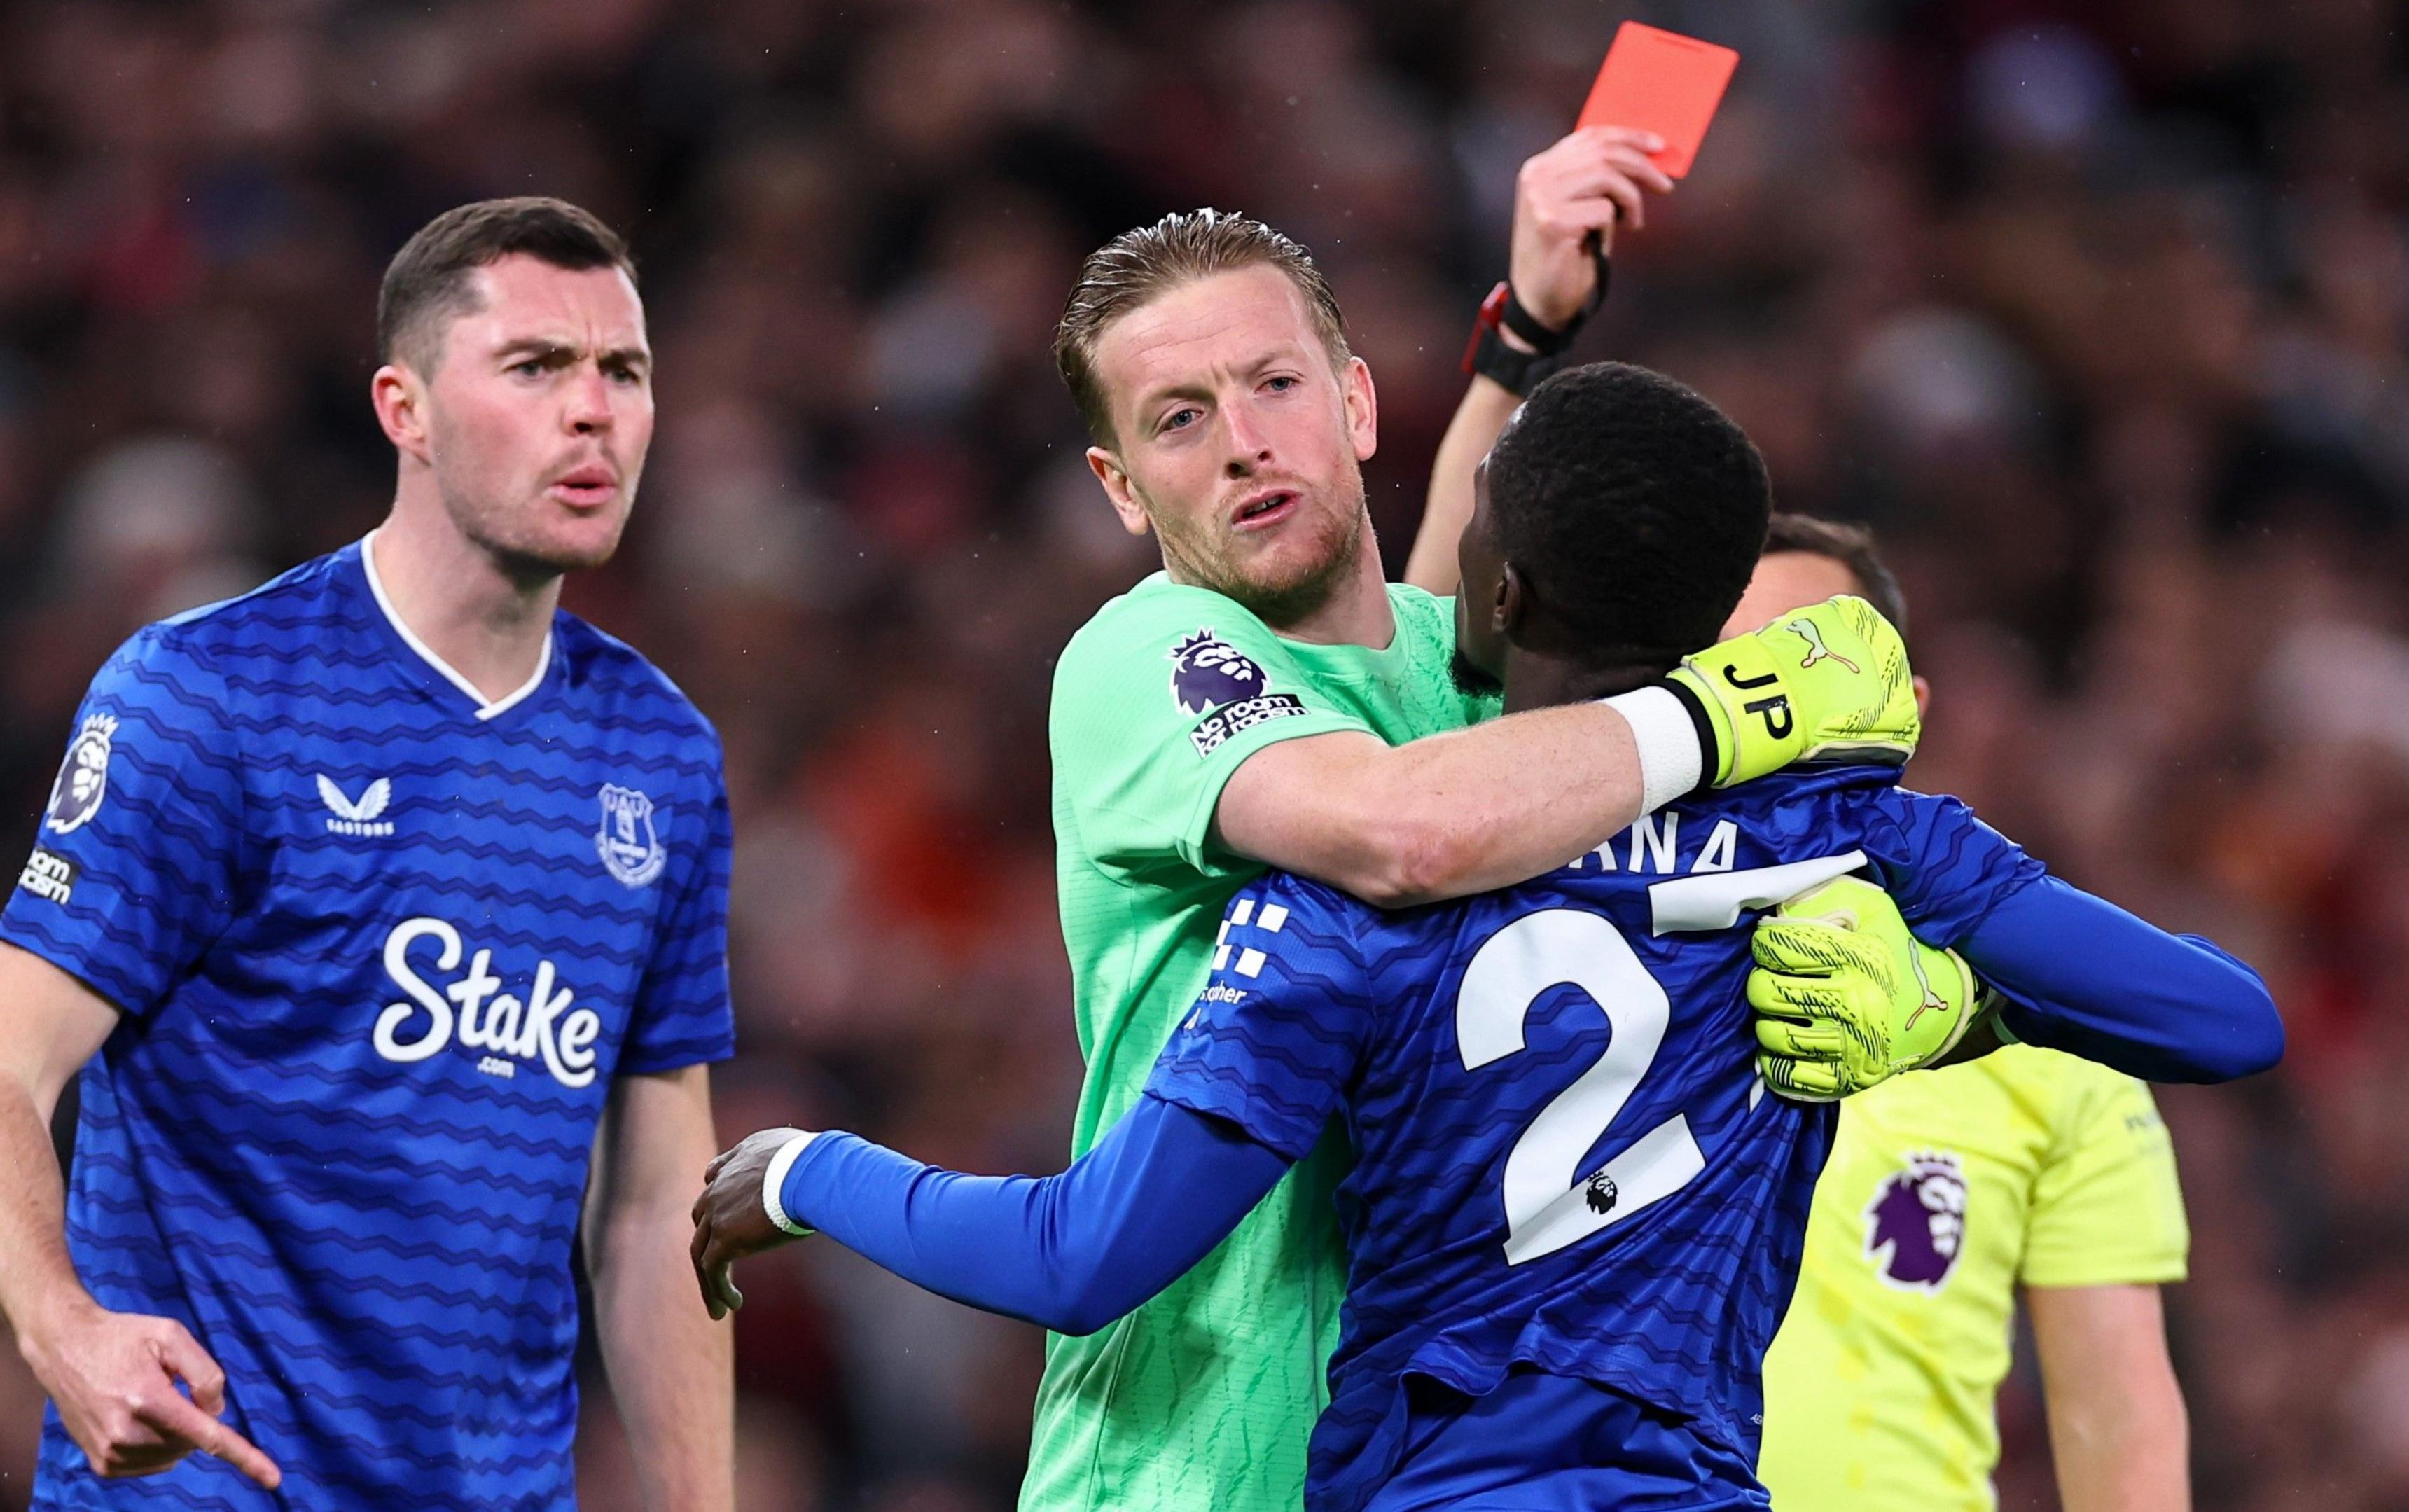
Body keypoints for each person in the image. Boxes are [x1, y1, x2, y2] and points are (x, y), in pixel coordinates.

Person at [687, 365, 2279, 1511]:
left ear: (1496, 594)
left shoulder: (1357, 895)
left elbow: (1083, 1260)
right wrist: (1948, 1012)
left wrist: (809, 1171)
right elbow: (2225, 1023)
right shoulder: (1850, 841)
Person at [957, 127, 1931, 1512]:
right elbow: (1398, 829)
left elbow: (1419, 664)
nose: (1244, 444)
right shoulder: (1140, 660)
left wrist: (1525, 330)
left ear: (1357, 406)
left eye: (1277, 386)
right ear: (1121, 491)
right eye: (1178, 418)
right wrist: (1731, 713)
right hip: (1182, 1468)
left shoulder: (1446, 680)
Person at [0, 198, 735, 1511]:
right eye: (535, 367)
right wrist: (64, 1330)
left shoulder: (661, 757)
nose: (594, 411)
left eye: (623, 372)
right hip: (205, 1484)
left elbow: (653, 1208)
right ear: (403, 410)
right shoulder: (209, 698)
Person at [1742, 515, 2195, 1512]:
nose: (1777, 710)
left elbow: (2113, 1420)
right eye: (1738, 679)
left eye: (1811, 666)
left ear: (1904, 710)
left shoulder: (2053, 1032)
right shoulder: (1580, 970)